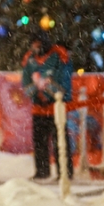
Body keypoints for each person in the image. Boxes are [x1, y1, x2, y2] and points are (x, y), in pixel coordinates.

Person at [22, 28, 73, 181]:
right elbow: (25, 84)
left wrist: (47, 88)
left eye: (37, 44)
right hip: (38, 108)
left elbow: (64, 85)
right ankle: (42, 171)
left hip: (55, 107)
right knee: (39, 142)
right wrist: (36, 89)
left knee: (60, 141)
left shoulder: (59, 57)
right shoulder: (29, 59)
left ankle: (65, 172)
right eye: (33, 44)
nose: (35, 47)